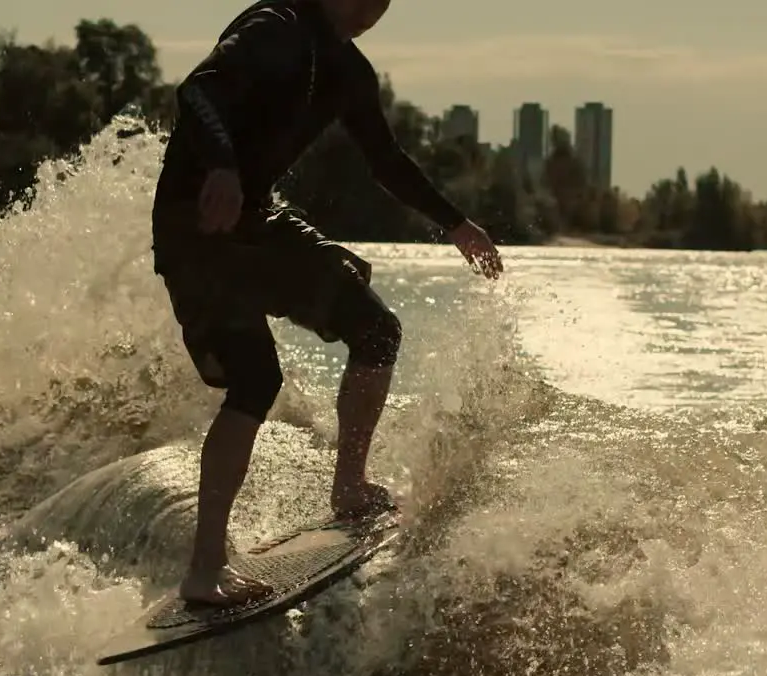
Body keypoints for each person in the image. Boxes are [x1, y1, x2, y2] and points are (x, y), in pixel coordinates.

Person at [151, 0, 504, 607]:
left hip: (257, 222)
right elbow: (198, 92)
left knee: (376, 331)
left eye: (382, 3)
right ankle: (205, 568)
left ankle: (348, 486)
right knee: (257, 378)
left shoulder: (348, 71)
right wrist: (223, 167)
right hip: (198, 225)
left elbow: (385, 160)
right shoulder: (275, 26)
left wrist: (455, 224)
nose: (371, 10)